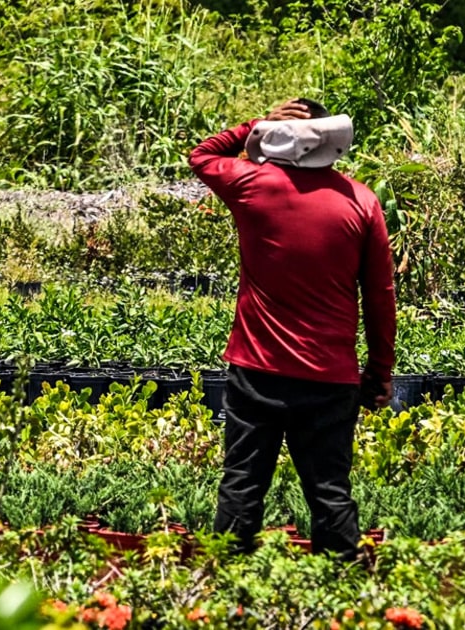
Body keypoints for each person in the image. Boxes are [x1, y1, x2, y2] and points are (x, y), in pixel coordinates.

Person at [188, 98, 396, 561]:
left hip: (256, 370)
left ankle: (221, 592)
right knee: (329, 493)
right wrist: (380, 372)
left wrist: (255, 124)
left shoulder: (253, 185)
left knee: (242, 484)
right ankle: (343, 597)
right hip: (330, 378)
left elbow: (201, 155)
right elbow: (380, 295)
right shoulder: (360, 201)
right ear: (331, 140)